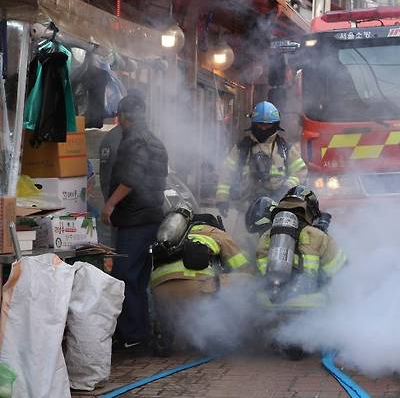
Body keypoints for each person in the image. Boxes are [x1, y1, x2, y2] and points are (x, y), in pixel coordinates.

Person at [101, 93, 168, 351]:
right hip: (152, 216)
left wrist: (110, 204)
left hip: (134, 219)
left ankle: (132, 335)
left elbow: (131, 177)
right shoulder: (155, 141)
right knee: (139, 278)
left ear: (122, 118)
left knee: (124, 275)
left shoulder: (133, 141)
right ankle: (139, 332)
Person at [150, 213, 252, 354]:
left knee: (173, 299)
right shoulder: (214, 233)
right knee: (247, 279)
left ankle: (163, 332)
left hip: (160, 290)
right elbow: (241, 265)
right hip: (194, 290)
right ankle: (219, 331)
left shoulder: (174, 236)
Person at [215, 101, 307, 217]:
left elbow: (300, 171)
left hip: (277, 209)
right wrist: (222, 199)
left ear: (275, 124)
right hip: (246, 210)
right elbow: (226, 173)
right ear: (253, 124)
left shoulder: (284, 148)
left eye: (268, 125)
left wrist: (285, 188)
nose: (263, 128)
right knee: (241, 236)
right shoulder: (242, 148)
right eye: (260, 124)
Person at [254, 186, 346, 300]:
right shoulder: (317, 235)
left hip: (272, 300)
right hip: (310, 302)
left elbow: (260, 268)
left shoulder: (267, 235)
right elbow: (341, 271)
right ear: (310, 210)